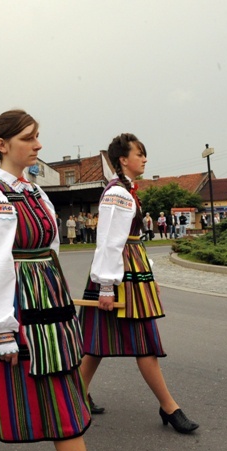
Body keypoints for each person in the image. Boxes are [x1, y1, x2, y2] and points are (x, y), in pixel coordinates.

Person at [0, 110, 89, 451]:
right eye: (28, 138)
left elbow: (50, 245)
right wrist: (1, 331)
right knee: (58, 399)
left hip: (47, 298)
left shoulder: (31, 190)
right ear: (3, 145)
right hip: (21, 308)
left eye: (37, 136)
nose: (38, 145)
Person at [79, 133, 198, 434]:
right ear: (123, 159)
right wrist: (106, 287)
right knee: (144, 342)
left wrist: (150, 276)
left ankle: (76, 395)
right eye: (139, 153)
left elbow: (134, 241)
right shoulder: (117, 193)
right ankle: (169, 407)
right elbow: (108, 241)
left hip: (132, 270)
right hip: (118, 274)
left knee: (97, 344)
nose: (144, 158)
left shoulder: (127, 190)